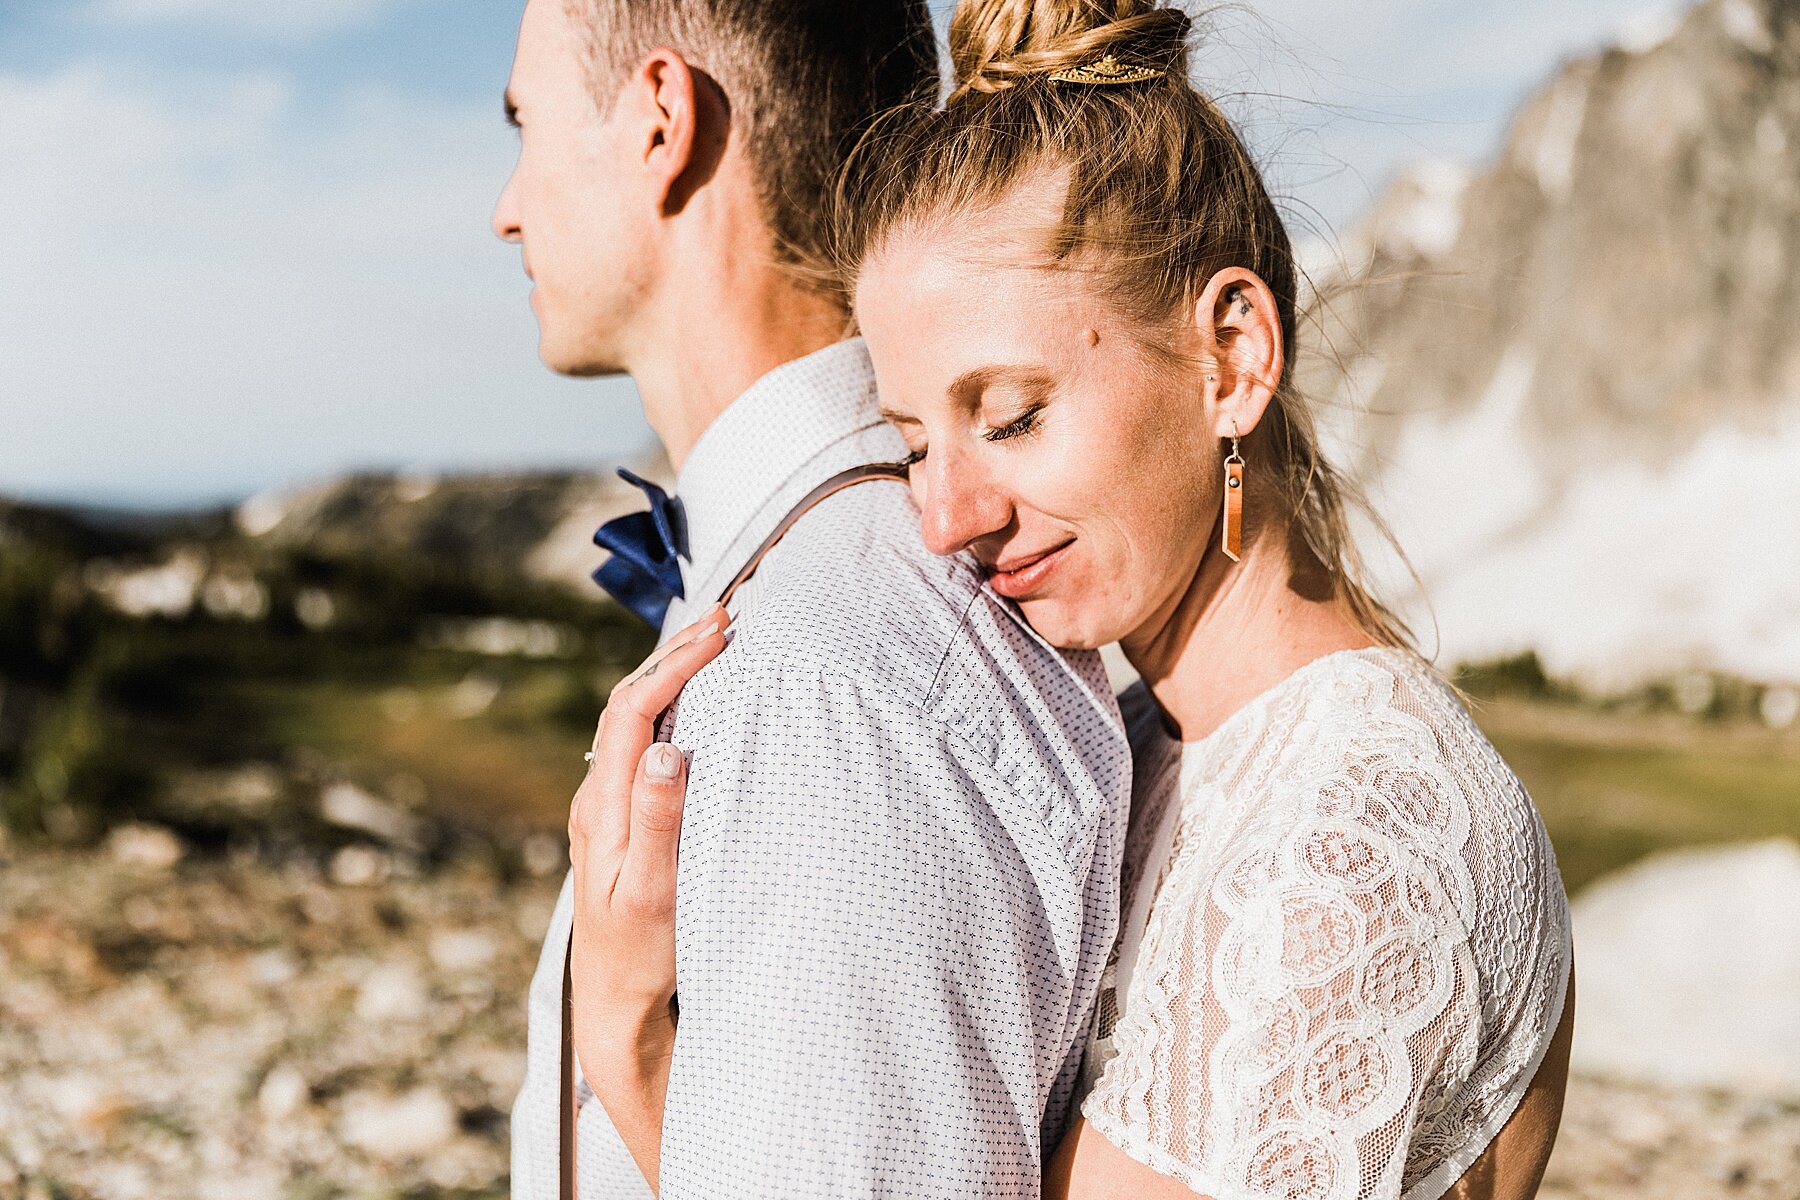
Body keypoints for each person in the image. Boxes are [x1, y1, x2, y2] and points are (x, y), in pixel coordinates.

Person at [569, 0, 1576, 1197]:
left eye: (1011, 417)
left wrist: (629, 1038)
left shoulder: (1355, 839)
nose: (947, 518)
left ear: (1233, 356)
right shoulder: (1157, 743)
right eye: (914, 444)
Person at [492, 1, 1137, 1197]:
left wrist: (626, 1037)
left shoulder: (816, 681)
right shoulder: (817, 608)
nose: (506, 207)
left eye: (525, 124)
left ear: (660, 122)